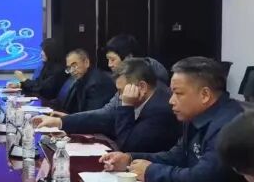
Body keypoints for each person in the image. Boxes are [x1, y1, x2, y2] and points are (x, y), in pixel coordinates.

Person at [101, 57, 249, 182]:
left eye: (178, 93)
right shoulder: (195, 115)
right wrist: (130, 159)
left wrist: (150, 172)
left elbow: (203, 179)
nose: (171, 101)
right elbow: (177, 155)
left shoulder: (229, 125)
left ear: (204, 95)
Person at [34, 59, 180, 153]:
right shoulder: (143, 97)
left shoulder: (160, 109)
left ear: (142, 87)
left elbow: (126, 146)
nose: (119, 96)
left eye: (121, 91)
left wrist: (126, 106)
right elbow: (106, 116)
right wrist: (61, 122)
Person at [51, 49, 113, 114]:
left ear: (86, 63)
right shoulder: (80, 79)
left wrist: (66, 118)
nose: (72, 71)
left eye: (74, 65)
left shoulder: (96, 83)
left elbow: (92, 115)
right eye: (69, 68)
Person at [104, 34, 169, 85]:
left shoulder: (151, 81)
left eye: (113, 60)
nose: (109, 65)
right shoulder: (120, 78)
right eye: (108, 60)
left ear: (128, 57)